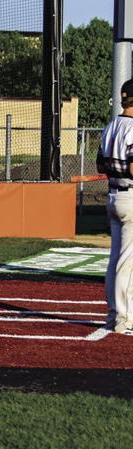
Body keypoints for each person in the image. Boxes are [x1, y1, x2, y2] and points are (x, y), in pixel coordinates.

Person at [96, 78, 133, 335]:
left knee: (114, 260)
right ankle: (123, 317)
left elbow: (100, 165)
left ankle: (113, 314)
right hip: (130, 196)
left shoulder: (111, 126)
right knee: (127, 261)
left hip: (113, 195)